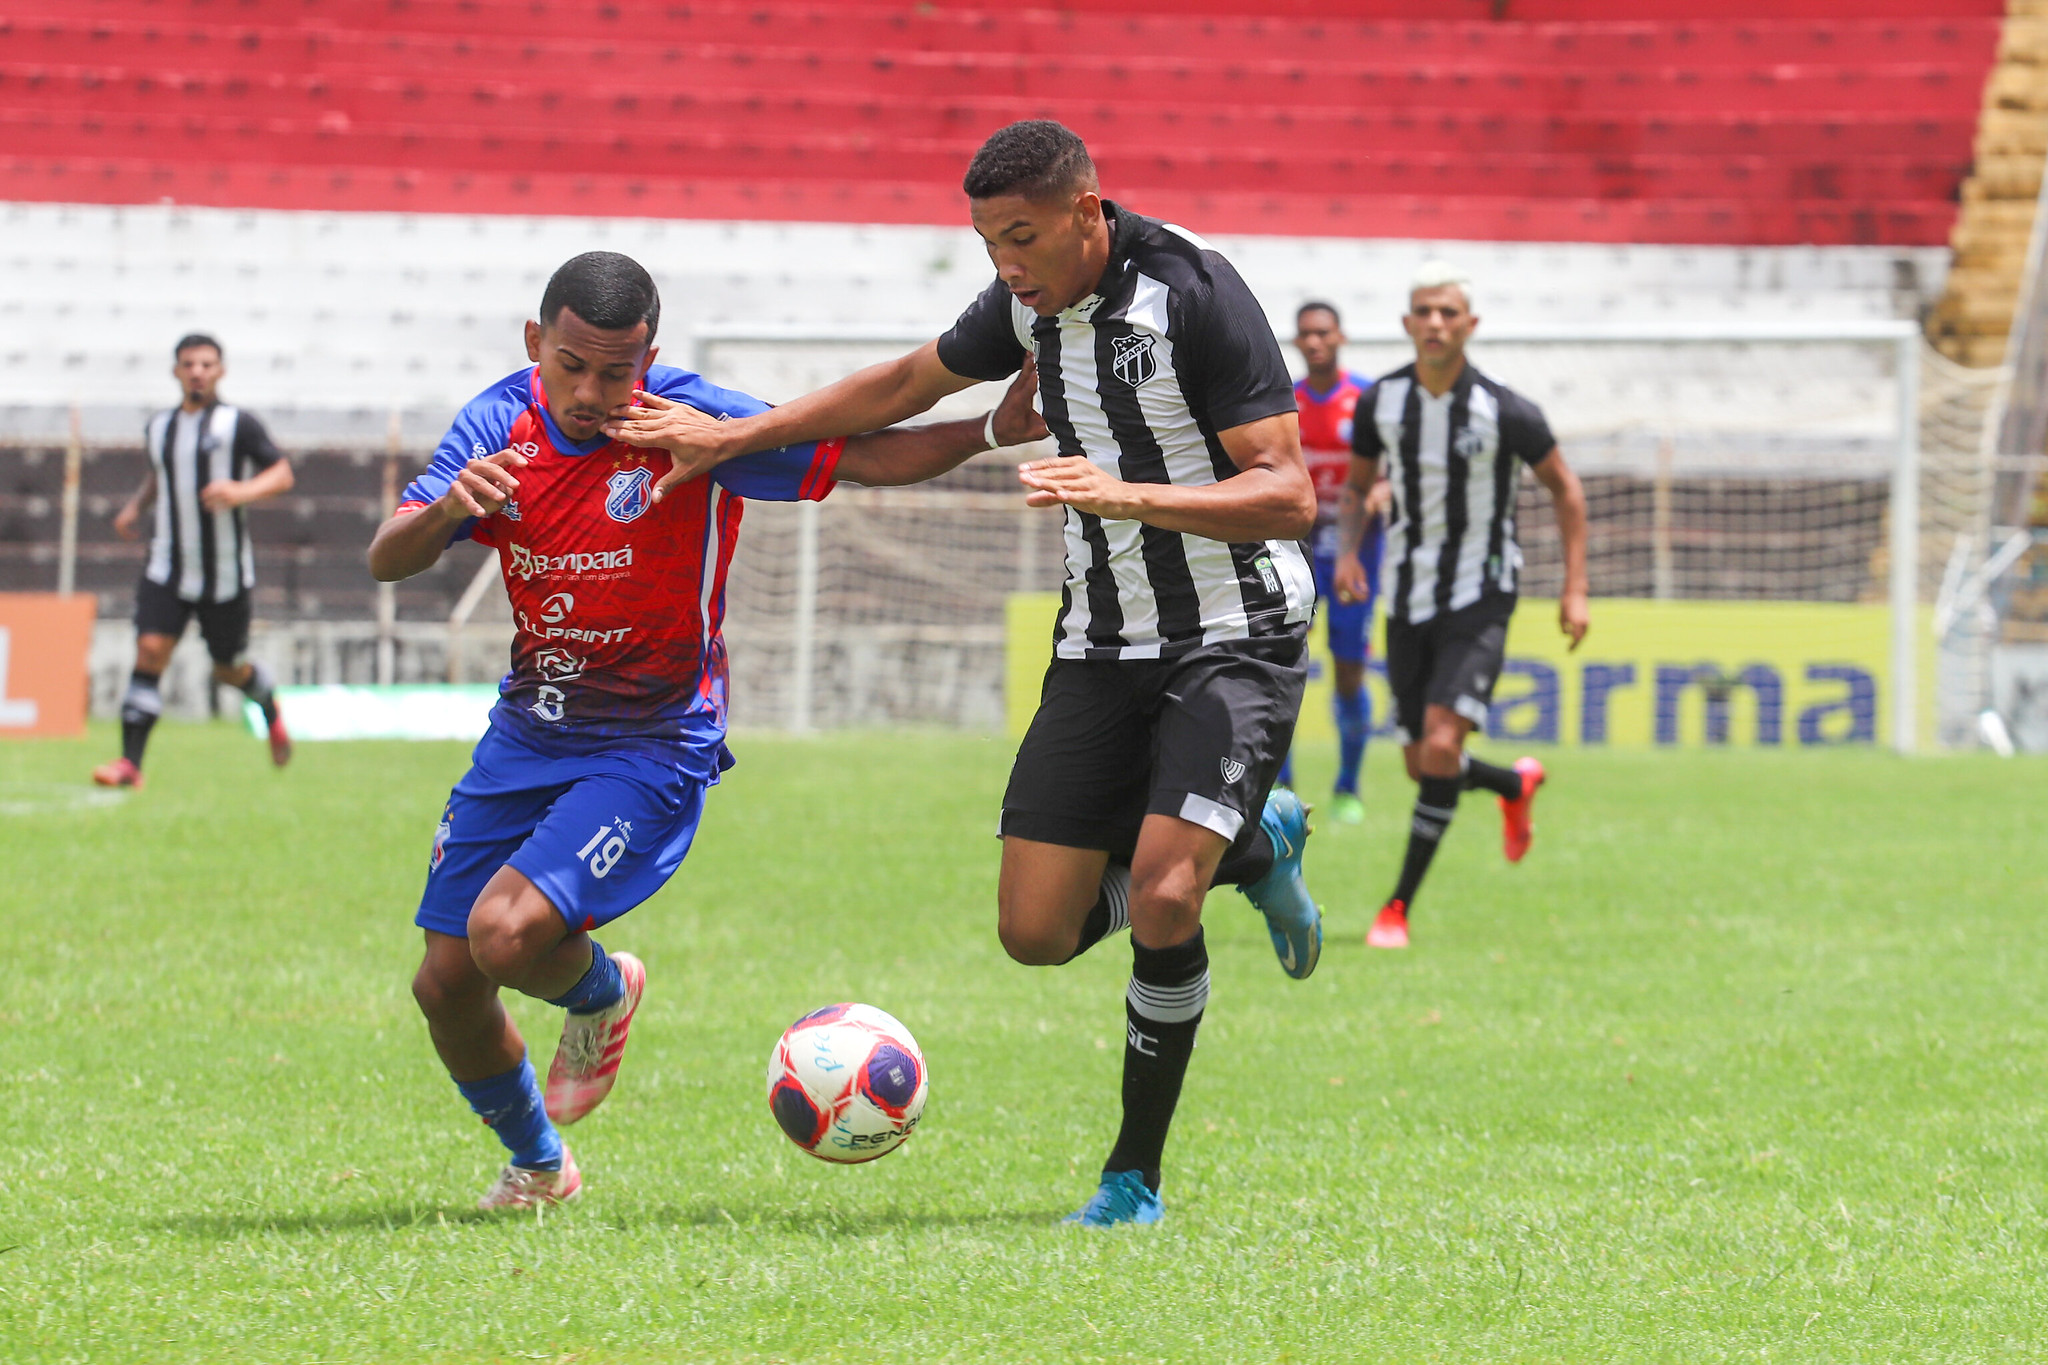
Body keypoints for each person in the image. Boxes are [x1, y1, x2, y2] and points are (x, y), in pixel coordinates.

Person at [606, 121, 1323, 1229]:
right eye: (989, 243)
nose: (1006, 266)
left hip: (1234, 630)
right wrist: (733, 435)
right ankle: (1254, 843)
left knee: (1162, 896)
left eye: (1022, 238)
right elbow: (903, 383)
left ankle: (1131, 1179)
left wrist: (1127, 495)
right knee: (1034, 932)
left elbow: (1285, 494)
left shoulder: (1193, 293)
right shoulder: (1025, 302)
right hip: (1099, 640)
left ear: (1088, 211)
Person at [370, 251, 1041, 1210]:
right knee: (445, 984)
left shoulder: (686, 423)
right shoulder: (496, 425)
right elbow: (388, 558)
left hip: (652, 737)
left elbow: (857, 455)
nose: (595, 392)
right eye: (571, 366)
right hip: (529, 726)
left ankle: (600, 992)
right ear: (535, 345)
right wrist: (446, 508)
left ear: (652, 355)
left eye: (618, 370)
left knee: (504, 936)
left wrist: (984, 428)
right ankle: (538, 1164)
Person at [1334, 262, 1590, 951]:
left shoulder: (1506, 409)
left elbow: (1566, 491)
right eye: (1425, 311)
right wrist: (1351, 551)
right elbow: (1358, 487)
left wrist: (1574, 587)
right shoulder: (1381, 401)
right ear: (1408, 323)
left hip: (1483, 593)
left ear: (1469, 325)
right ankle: (1512, 782)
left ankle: (1396, 908)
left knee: (1443, 745)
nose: (1437, 323)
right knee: (1423, 763)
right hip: (1409, 595)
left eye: (1449, 312)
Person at [95, 334, 294, 789]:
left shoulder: (238, 425)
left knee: (228, 670)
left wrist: (239, 491)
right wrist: (134, 509)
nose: (198, 372)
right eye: (189, 364)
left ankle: (268, 707)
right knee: (149, 651)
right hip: (166, 565)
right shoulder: (159, 427)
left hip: (223, 573)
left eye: (206, 364)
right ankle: (130, 764)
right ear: (176, 372)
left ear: (220, 371)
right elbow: (161, 475)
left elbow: (282, 473)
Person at [1275, 301, 1385, 824]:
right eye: (1306, 335)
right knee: (1282, 658)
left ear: (1340, 336)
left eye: (1323, 333)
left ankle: (1348, 785)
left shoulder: (1366, 397)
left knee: (1347, 669)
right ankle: (1282, 784)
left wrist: (1382, 490)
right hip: (1298, 537)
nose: (1315, 342)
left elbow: (1395, 469)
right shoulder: (1286, 401)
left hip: (1357, 542)